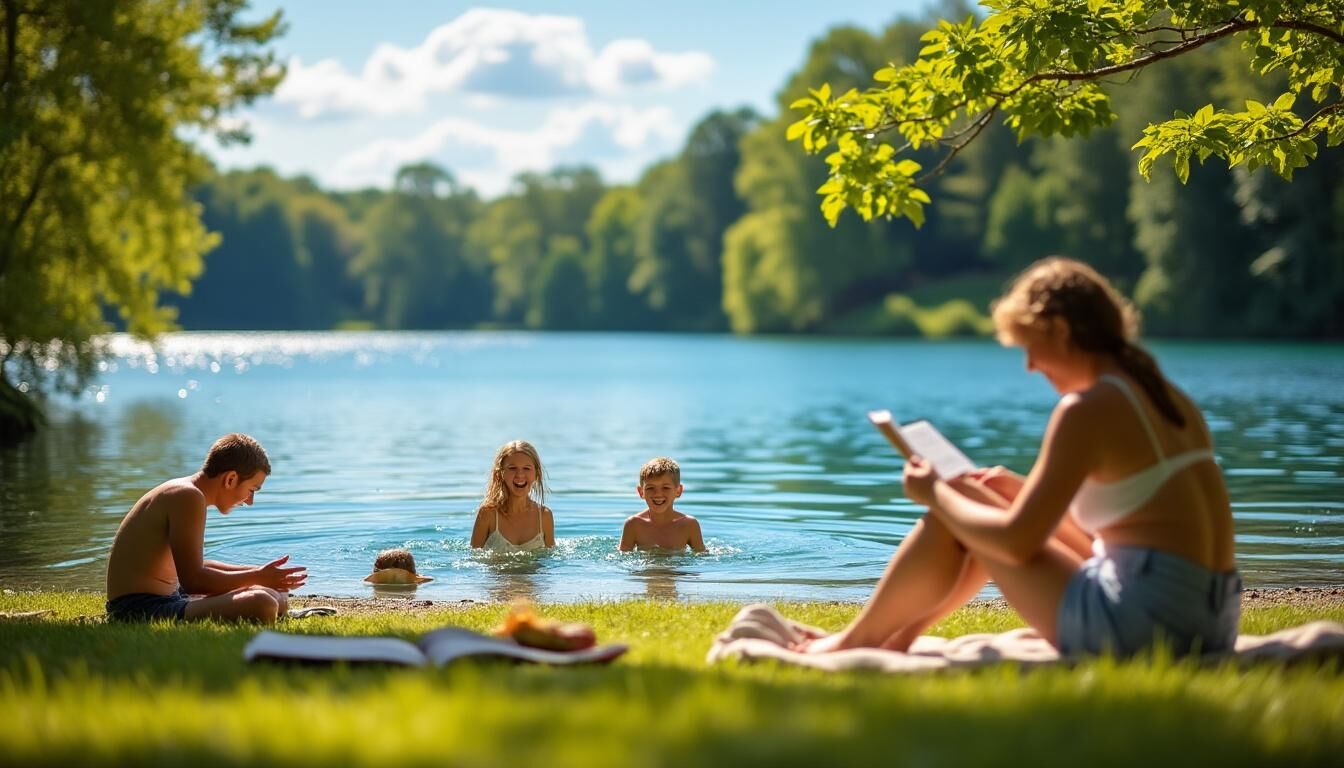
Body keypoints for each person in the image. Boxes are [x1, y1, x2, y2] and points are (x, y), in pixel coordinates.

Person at [802, 257, 1240, 658]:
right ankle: (897, 638)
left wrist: (934, 492)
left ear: (1062, 332)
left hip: (1143, 628)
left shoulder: (1086, 409)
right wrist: (1016, 492)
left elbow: (1017, 543)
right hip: (1208, 624)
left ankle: (856, 642)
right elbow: (1111, 545)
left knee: (954, 503)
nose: (1030, 366)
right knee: (975, 496)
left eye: (1030, 346)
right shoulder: (1168, 398)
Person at [104, 433, 308, 623]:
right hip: (139, 608)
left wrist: (262, 573)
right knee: (263, 603)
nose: (250, 501)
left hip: (170, 594)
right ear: (231, 479)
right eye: (251, 490)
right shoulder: (188, 497)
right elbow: (193, 580)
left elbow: (196, 566)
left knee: (276, 595)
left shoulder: (186, 491)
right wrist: (257, 576)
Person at [470, 440, 555, 552]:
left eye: (526, 468)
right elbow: (473, 560)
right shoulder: (488, 514)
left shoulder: (544, 516)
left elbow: (550, 559)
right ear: (500, 474)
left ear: (537, 474)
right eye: (512, 468)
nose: (520, 475)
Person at [620, 457, 707, 553]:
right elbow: (622, 558)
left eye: (665, 487)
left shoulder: (689, 525)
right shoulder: (633, 524)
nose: (658, 494)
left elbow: (702, 556)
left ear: (678, 491)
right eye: (650, 488)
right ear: (641, 492)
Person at [364, 547, 433, 585]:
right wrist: (418, 577)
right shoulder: (417, 580)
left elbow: (365, 580)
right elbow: (430, 579)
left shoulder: (373, 580)